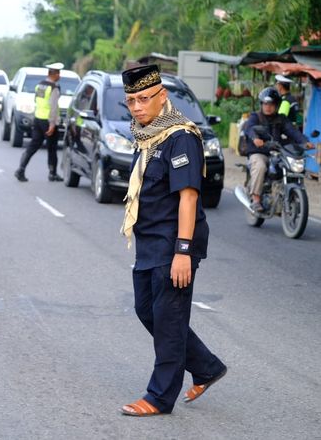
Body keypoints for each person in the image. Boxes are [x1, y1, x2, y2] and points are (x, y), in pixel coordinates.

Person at [118, 64, 227, 417]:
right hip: (149, 240)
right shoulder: (147, 135)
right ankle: (206, 366)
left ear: (161, 96)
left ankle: (159, 397)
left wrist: (183, 251)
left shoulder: (180, 136)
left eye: (143, 98)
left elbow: (189, 198)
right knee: (147, 310)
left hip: (173, 243)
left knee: (167, 319)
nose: (136, 107)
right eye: (131, 100)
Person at [243, 87, 313, 212]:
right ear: (262, 104)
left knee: (288, 166)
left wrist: (304, 142)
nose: (268, 107)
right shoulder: (256, 116)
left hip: (276, 152)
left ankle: (285, 196)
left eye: (271, 104)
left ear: (276, 105)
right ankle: (256, 199)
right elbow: (249, 128)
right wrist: (255, 138)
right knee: (260, 166)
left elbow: (292, 131)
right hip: (259, 152)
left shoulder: (281, 119)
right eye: (265, 104)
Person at [14, 63, 64, 182]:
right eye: (58, 73)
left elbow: (36, 100)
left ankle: (20, 169)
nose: (59, 76)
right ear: (55, 74)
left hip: (37, 119)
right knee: (52, 148)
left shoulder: (40, 86)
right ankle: (52, 173)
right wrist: (52, 124)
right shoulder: (54, 88)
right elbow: (53, 107)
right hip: (48, 121)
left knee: (33, 146)